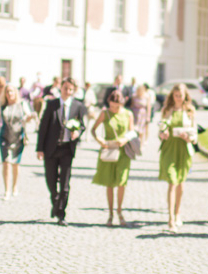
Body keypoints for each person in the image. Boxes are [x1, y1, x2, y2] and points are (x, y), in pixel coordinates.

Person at [37, 77, 89, 226]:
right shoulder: (52, 104)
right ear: (61, 88)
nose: (68, 91)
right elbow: (43, 127)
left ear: (74, 91)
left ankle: (61, 213)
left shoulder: (78, 106)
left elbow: (82, 125)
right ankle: (55, 200)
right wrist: (39, 148)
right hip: (51, 149)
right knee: (51, 181)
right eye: (65, 88)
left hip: (67, 149)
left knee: (65, 184)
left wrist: (77, 132)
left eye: (71, 89)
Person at [91, 89, 135, 226]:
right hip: (108, 150)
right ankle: (110, 213)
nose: (115, 109)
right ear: (109, 102)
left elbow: (132, 131)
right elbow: (93, 130)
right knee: (109, 183)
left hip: (123, 151)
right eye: (112, 106)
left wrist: (125, 139)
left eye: (117, 107)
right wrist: (100, 141)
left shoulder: (128, 114)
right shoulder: (105, 113)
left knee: (121, 182)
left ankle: (120, 212)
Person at [158, 83, 197, 231]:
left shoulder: (190, 111)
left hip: (183, 149)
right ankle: (170, 219)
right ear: (172, 96)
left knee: (180, 182)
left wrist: (189, 137)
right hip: (169, 148)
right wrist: (163, 134)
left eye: (181, 96)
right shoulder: (167, 110)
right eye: (176, 96)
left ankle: (178, 212)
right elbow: (161, 129)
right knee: (172, 181)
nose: (178, 98)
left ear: (185, 96)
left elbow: (194, 133)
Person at [0, 85, 34, 199]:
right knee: (6, 163)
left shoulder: (22, 104)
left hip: (18, 137)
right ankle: (6, 190)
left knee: (15, 164)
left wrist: (29, 118)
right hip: (5, 137)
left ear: (16, 93)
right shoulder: (2, 106)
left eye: (12, 92)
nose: (10, 94)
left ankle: (14, 186)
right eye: (7, 92)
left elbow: (28, 117)